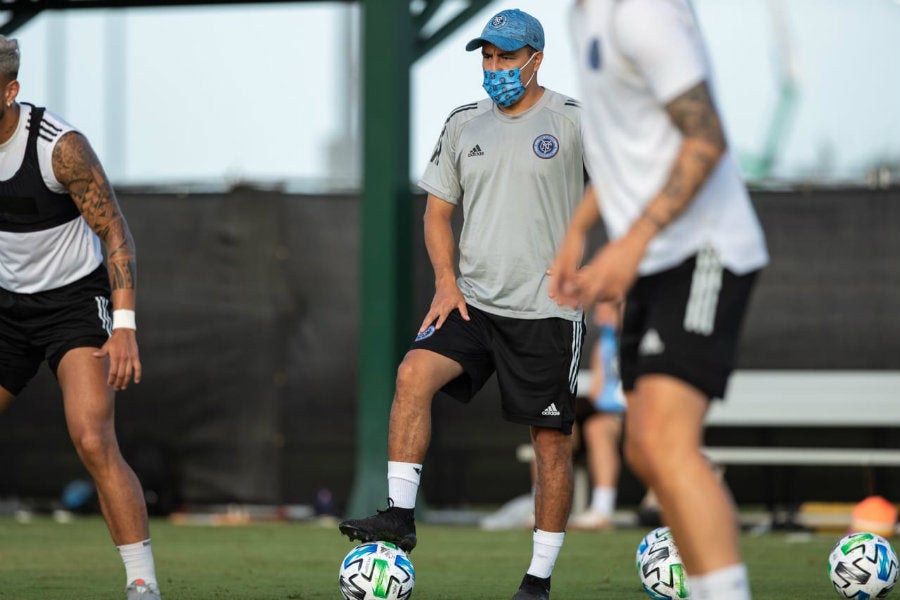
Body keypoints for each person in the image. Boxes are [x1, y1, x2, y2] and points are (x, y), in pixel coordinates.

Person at [339, 9, 585, 600]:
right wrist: (445, 282)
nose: (495, 68)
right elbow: (438, 211)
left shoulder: (576, 123)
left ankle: (538, 578)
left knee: (550, 444)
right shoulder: (462, 123)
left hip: (546, 311)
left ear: (536, 59)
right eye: (488, 57)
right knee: (412, 374)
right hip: (471, 302)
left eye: (506, 56)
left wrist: (592, 263)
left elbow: (620, 197)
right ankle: (399, 515)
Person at [551, 2, 769, 599]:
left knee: (669, 444)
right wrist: (578, 231)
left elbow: (706, 138)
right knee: (645, 446)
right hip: (654, 256)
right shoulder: (584, 16)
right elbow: (628, 151)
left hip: (705, 249)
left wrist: (632, 242)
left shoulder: (641, 12)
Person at [0, 36, 162, 600]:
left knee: (92, 438)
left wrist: (124, 326)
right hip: (6, 306)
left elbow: (115, 230)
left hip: (73, 304)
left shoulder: (58, 146)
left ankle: (142, 582)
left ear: (10, 90)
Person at [568, 301, 625, 530]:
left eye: (607, 309)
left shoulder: (643, 339)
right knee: (550, 424)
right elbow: (596, 391)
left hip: (633, 418)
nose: (600, 318)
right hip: (603, 413)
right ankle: (539, 507)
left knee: (597, 429)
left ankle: (602, 510)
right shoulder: (605, 343)